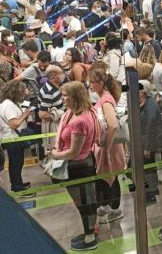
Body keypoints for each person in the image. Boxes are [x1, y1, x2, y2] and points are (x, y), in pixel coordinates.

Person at [48, 81, 100, 251]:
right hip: (83, 162)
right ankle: (90, 231)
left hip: (78, 165)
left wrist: (54, 154)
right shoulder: (84, 112)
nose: (62, 99)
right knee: (86, 201)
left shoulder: (79, 121)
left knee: (84, 202)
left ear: (74, 97)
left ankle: (90, 236)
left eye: (65, 95)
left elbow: (72, 152)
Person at [88, 68, 126, 224]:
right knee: (104, 176)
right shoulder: (102, 98)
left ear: (100, 83)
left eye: (92, 82)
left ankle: (114, 208)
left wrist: (107, 147)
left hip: (108, 146)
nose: (89, 85)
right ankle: (105, 204)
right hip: (103, 145)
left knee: (111, 176)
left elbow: (113, 125)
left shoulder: (106, 99)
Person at [0, 80, 36, 193]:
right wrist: (25, 114)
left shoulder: (9, 103)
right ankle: (16, 186)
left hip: (13, 138)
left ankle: (18, 183)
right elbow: (14, 124)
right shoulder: (8, 105)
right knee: (16, 163)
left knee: (17, 162)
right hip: (12, 138)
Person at [38, 65, 65, 151]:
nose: (62, 75)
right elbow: (42, 114)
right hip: (52, 126)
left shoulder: (55, 86)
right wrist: (61, 114)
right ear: (53, 77)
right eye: (60, 73)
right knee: (55, 150)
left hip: (58, 123)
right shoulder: (48, 92)